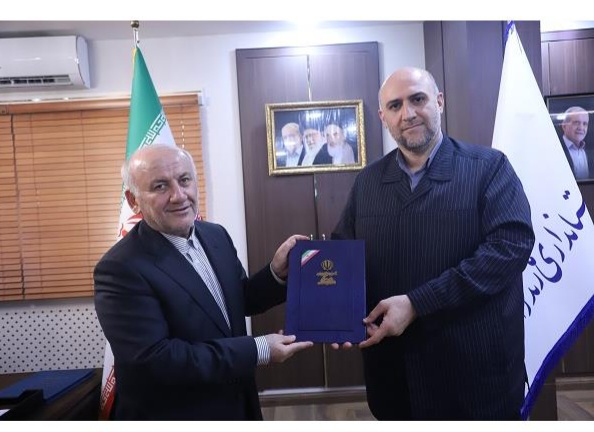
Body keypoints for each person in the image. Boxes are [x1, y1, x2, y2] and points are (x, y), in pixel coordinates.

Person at [331, 67, 535, 420]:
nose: (407, 113)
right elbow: (342, 255)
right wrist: (334, 313)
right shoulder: (367, 183)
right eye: (395, 106)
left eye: (418, 99)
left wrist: (417, 303)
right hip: (395, 381)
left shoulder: (489, 168)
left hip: (476, 380)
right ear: (383, 117)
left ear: (439, 102)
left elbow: (510, 248)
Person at [94, 144, 312, 420]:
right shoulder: (119, 268)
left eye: (184, 180)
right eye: (160, 186)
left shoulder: (215, 235)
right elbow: (156, 360)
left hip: (237, 403)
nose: (178, 195)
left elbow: (238, 300)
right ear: (133, 200)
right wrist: (258, 349)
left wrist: (276, 273)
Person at [560, 106, 593, 180]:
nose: (581, 128)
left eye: (585, 124)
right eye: (576, 123)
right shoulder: (554, 148)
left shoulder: (591, 150)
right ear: (564, 126)